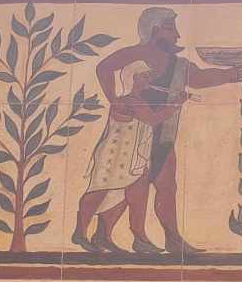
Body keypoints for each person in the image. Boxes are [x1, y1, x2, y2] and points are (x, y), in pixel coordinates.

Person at [84, 7, 242, 255]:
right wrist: (114, 100)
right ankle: (113, 235)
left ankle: (170, 238)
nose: (177, 35)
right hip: (134, 134)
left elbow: (199, 78)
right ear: (154, 30)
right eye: (171, 28)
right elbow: (103, 68)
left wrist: (230, 75)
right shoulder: (135, 54)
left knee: (165, 186)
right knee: (127, 187)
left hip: (164, 133)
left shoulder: (178, 65)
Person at [71, 60, 187, 253]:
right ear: (133, 78)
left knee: (131, 196)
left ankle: (120, 237)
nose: (149, 79)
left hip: (133, 158)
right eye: (145, 76)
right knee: (99, 192)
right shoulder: (127, 101)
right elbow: (153, 119)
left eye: (149, 76)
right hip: (113, 156)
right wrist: (176, 103)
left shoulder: (140, 101)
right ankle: (80, 233)